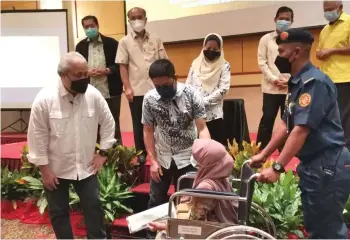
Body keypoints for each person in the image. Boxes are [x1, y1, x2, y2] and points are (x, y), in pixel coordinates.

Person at [250, 28, 350, 239]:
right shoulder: (297, 85)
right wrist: (264, 154)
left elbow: (301, 129)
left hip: (327, 164)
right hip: (315, 165)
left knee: (327, 231)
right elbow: (286, 125)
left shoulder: (314, 83)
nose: (279, 57)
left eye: (281, 51)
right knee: (315, 226)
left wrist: (278, 167)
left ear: (296, 53)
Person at [27, 52, 116, 239]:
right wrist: (44, 170)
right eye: (78, 75)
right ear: (63, 75)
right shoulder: (44, 99)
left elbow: (108, 122)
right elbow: (38, 136)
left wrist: (103, 152)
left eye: (86, 74)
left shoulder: (93, 95)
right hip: (56, 169)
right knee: (58, 213)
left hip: (86, 166)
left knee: (94, 208)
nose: (84, 79)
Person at [142, 59, 210, 232]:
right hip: (162, 157)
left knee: (187, 203)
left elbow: (202, 127)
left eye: (166, 85)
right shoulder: (149, 99)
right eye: (158, 87)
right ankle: (154, 236)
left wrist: (205, 155)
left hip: (188, 156)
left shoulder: (191, 94)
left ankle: (183, 236)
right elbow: (148, 131)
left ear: (175, 77)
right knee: (155, 200)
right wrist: (153, 160)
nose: (162, 90)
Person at [148, 139, 238, 234]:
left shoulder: (205, 187)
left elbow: (194, 224)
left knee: (162, 235)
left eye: (199, 159)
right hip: (225, 225)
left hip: (214, 231)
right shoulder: (220, 176)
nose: (197, 162)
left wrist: (164, 227)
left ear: (207, 162)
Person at [116, 7, 168, 163]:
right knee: (139, 123)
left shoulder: (156, 39)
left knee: (160, 121)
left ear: (145, 19)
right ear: (129, 21)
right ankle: (141, 153)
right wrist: (127, 88)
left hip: (157, 89)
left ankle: (160, 149)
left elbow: (163, 61)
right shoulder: (124, 42)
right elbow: (122, 66)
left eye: (139, 17)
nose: (136, 20)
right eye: (133, 18)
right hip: (137, 90)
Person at [75, 15, 123, 145]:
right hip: (88, 92)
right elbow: (76, 68)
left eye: (92, 26)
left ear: (97, 26)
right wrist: (87, 72)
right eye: (86, 27)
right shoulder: (80, 46)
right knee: (91, 124)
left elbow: (120, 65)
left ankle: (117, 156)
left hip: (110, 91)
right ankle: (95, 152)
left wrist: (107, 71)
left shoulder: (112, 43)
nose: (90, 29)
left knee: (113, 123)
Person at [256, 6, 294, 150]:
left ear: (291, 21)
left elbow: (296, 61)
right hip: (270, 87)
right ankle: (261, 149)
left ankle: (285, 149)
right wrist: (273, 79)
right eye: (281, 18)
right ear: (275, 19)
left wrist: (288, 81)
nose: (283, 21)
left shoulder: (294, 40)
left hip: (289, 88)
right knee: (267, 119)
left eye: (287, 19)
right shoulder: (265, 39)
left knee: (288, 120)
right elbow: (262, 62)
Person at [317, 0, 350, 149]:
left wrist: (332, 50)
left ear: (340, 8)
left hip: (344, 77)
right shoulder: (324, 29)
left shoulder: (349, 22)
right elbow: (321, 49)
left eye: (331, 9)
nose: (328, 13)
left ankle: (345, 152)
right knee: (329, 116)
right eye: (325, 9)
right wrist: (320, 53)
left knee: (344, 117)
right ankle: (333, 148)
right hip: (326, 78)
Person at [186, 33, 230, 145]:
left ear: (220, 49)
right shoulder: (195, 64)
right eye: (208, 48)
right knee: (196, 148)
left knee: (215, 147)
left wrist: (203, 101)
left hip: (214, 114)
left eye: (215, 49)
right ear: (203, 47)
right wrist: (191, 101)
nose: (211, 51)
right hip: (195, 113)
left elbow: (224, 89)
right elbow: (188, 85)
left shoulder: (224, 65)